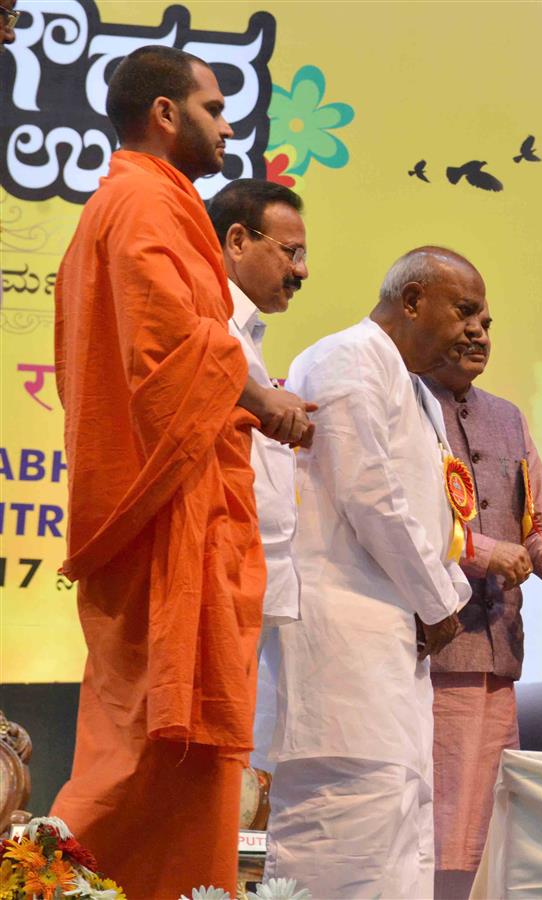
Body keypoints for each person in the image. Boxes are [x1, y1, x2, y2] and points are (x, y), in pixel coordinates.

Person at [50, 46, 313, 897]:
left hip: (184, 511)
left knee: (184, 759)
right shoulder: (139, 204)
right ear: (165, 114)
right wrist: (263, 399)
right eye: (213, 106)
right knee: (133, 756)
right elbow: (171, 347)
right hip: (158, 515)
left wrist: (250, 393)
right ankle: (36, 883)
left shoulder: (145, 205)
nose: (230, 124)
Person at [264, 247, 476, 898]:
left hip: (393, 650)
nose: (474, 329)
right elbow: (368, 492)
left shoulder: (422, 395)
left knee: (401, 852)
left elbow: (430, 519)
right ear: (412, 300)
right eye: (463, 310)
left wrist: (444, 594)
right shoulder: (345, 358)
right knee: (340, 853)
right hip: (341, 650)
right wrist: (441, 604)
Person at [420, 298, 542, 897]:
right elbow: (400, 518)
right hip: (430, 653)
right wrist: (485, 551)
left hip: (498, 656)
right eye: (463, 317)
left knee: (481, 831)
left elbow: (541, 520)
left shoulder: (508, 419)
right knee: (429, 822)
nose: (478, 334)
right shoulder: (404, 406)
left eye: (487, 324)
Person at [205, 178, 309, 775]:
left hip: (254, 579)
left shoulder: (245, 335)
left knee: (245, 763)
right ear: (238, 241)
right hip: (220, 569)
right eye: (290, 252)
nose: (302, 272)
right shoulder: (209, 324)